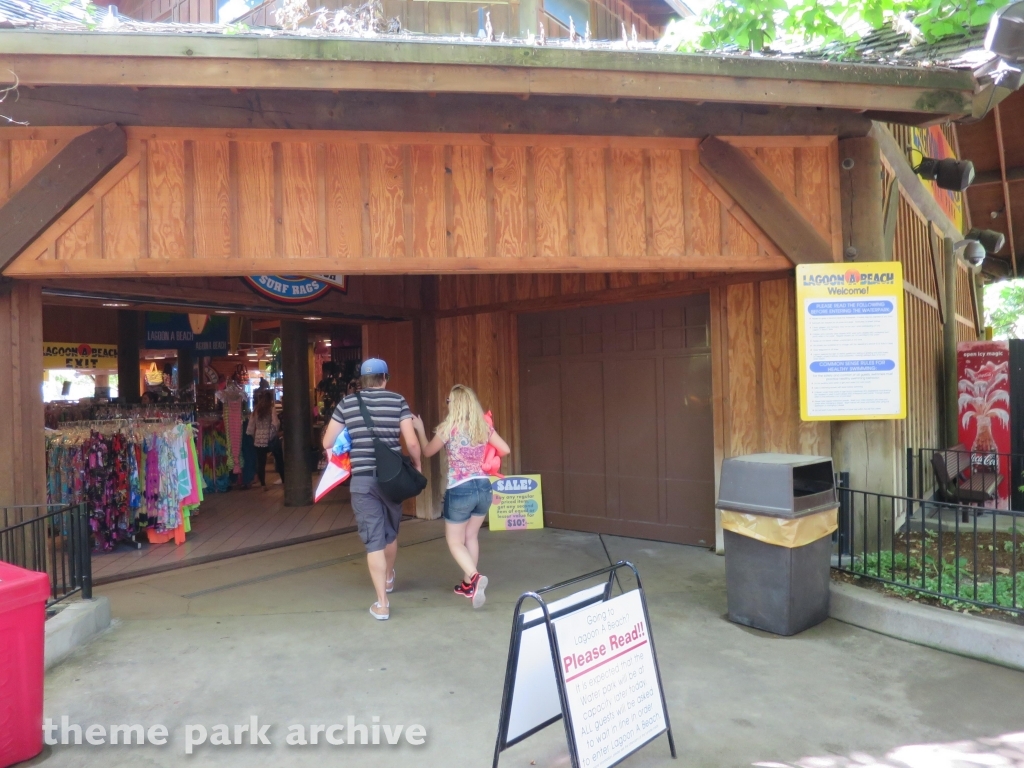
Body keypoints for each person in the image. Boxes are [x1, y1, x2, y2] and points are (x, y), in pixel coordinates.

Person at [321, 358, 421, 621]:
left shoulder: (347, 404)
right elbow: (411, 442)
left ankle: (382, 604)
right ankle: (389, 577)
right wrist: (418, 466)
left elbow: (328, 440)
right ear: (385, 378)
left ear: (362, 381)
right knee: (390, 532)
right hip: (393, 478)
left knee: (374, 540)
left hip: (363, 481)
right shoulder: (398, 401)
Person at [411, 384, 510, 609]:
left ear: (454, 404)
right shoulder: (483, 426)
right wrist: (485, 457)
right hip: (484, 487)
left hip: (460, 488)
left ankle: (474, 577)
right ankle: (467, 585)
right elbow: (505, 449)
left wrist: (420, 429)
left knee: (454, 541)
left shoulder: (449, 428)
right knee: (471, 537)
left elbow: (427, 451)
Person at [247, 390, 280, 491]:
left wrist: (254, 436)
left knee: (261, 462)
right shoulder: (271, 409)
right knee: (279, 457)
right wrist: (273, 433)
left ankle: (263, 484)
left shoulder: (256, 410)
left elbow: (250, 427)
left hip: (258, 440)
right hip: (268, 439)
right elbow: (276, 423)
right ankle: (283, 478)